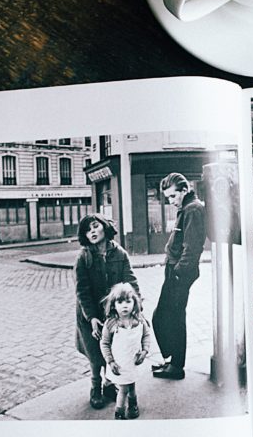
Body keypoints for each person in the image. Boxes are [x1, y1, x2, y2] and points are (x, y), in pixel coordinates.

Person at [74, 213, 140, 410]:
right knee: (95, 354)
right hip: (90, 315)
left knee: (114, 350)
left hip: (114, 313)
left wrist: (137, 307)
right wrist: (92, 317)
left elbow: (131, 282)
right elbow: (82, 291)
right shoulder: (83, 257)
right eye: (87, 229)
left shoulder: (120, 254)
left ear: (105, 227)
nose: (91, 232)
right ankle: (96, 388)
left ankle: (109, 385)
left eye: (95, 226)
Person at [152, 173, 206, 381]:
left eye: (173, 196)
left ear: (185, 190)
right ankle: (172, 361)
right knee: (167, 317)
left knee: (169, 317)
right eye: (168, 198)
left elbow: (192, 248)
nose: (171, 201)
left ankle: (176, 366)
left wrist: (178, 273)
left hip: (179, 272)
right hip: (175, 269)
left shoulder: (193, 209)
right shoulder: (187, 208)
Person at [100, 282, 151, 420]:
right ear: (113, 305)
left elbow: (146, 335)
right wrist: (110, 361)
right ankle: (119, 412)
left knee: (132, 385)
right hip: (119, 364)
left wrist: (145, 351)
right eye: (120, 302)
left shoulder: (139, 320)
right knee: (123, 389)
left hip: (133, 362)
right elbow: (104, 343)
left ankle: (133, 404)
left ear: (134, 303)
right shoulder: (111, 324)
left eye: (128, 301)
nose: (124, 305)